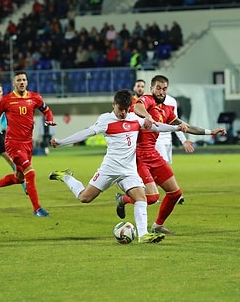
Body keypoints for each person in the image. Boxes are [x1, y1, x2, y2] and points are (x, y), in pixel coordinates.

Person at [48, 89, 183, 243]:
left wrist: (176, 128)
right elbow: (86, 133)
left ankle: (143, 234)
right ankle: (66, 176)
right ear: (114, 105)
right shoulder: (105, 120)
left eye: (126, 109)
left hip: (129, 171)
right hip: (109, 169)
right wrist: (61, 142)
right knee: (85, 198)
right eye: (120, 109)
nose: (123, 113)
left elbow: (156, 126)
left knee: (141, 198)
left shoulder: (135, 119)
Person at [116, 75, 227, 234]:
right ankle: (123, 199)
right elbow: (137, 108)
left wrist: (211, 132)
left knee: (175, 193)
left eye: (164, 89)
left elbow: (186, 127)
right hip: (139, 157)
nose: (161, 92)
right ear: (152, 88)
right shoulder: (147, 101)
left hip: (153, 155)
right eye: (158, 88)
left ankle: (158, 225)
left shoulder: (167, 110)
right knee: (153, 197)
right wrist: (148, 117)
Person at [0, 71, 55, 217]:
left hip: (27, 144)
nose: (22, 82)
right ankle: (37, 209)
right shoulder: (6, 100)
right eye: (19, 80)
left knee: (19, 177)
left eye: (24, 79)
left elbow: (46, 110)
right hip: (13, 144)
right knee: (30, 173)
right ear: (14, 83)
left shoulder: (35, 97)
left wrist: (49, 119)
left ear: (27, 82)